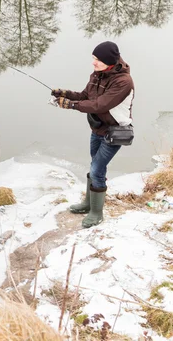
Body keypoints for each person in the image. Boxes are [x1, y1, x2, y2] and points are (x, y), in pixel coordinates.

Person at [52, 41, 135, 228]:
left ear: (109, 61)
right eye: (93, 58)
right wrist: (65, 94)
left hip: (114, 132)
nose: (93, 63)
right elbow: (85, 96)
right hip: (97, 128)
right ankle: (88, 203)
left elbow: (101, 105)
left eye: (97, 60)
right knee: (95, 166)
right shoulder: (98, 74)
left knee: (97, 169)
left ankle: (96, 213)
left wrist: (71, 105)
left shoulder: (123, 82)